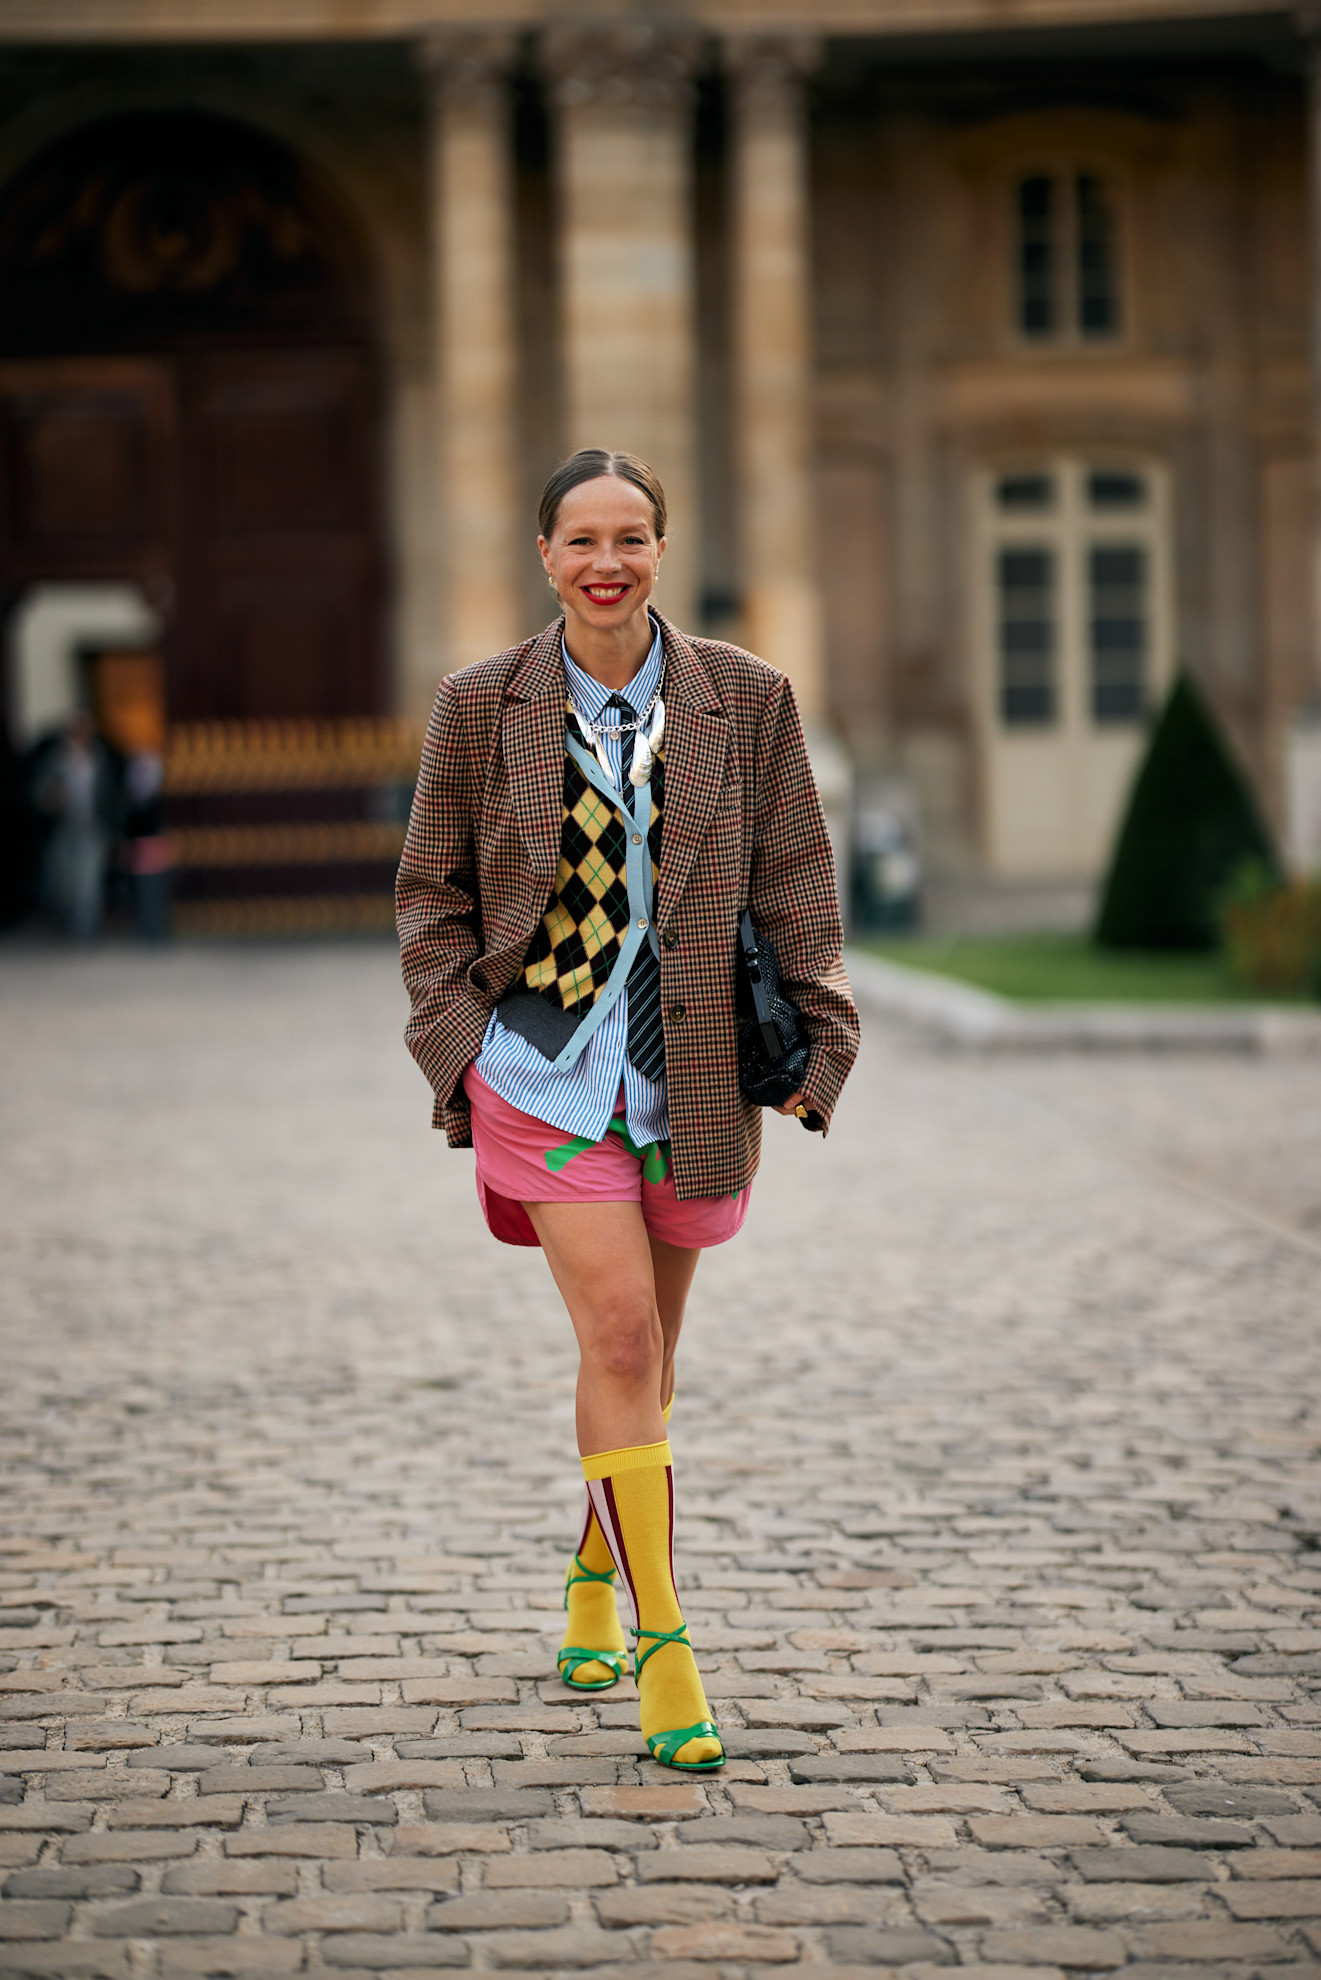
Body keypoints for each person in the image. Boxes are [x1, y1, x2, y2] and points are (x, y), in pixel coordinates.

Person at [398, 449, 858, 1772]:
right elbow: (430, 892)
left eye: (632, 537)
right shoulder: (479, 704)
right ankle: (667, 1642)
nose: (608, 562)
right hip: (542, 1067)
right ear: (545, 555)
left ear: (661, 549)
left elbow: (796, 877)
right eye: (584, 539)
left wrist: (822, 1042)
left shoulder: (746, 698)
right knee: (615, 1334)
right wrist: (461, 1046)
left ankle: (593, 1571)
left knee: (648, 1360)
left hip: (691, 1070)